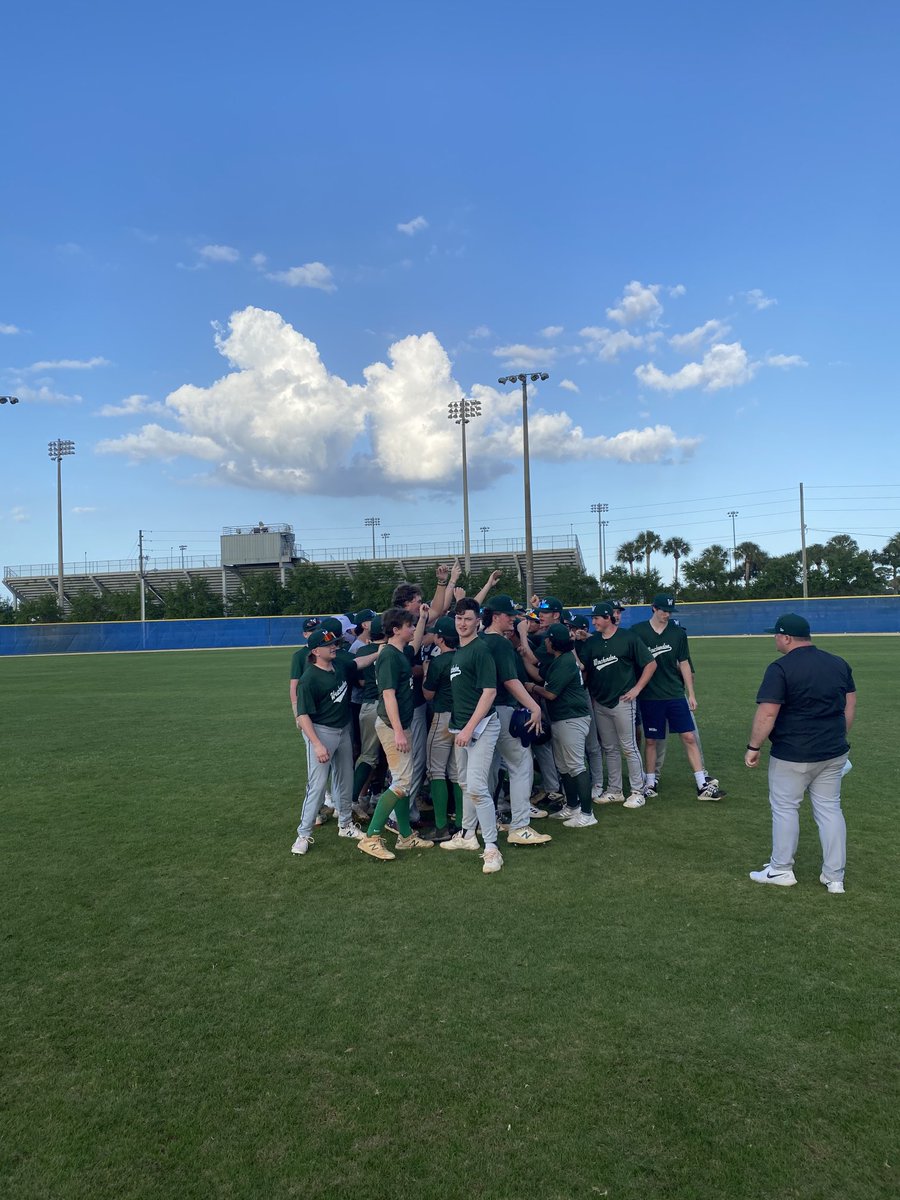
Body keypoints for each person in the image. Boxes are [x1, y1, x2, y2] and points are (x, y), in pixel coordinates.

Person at [745, 613, 856, 893]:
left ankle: (781, 869)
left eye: (776, 635)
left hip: (792, 754)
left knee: (785, 809)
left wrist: (753, 747)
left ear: (786, 637)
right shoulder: (838, 663)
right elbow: (849, 707)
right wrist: (837, 737)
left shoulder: (780, 668)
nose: (775, 639)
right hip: (832, 751)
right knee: (830, 809)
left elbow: (767, 712)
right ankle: (835, 877)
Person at [631, 594, 726, 801]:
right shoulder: (637, 631)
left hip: (675, 694)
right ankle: (650, 782)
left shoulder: (677, 633)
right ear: (653, 608)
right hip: (650, 696)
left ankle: (702, 783)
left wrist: (691, 693)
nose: (666, 614)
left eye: (669, 611)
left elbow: (684, 662)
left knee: (689, 736)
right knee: (652, 741)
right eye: (663, 610)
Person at [358, 608, 435, 861]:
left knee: (405, 780)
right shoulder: (390, 657)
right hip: (393, 727)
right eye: (409, 625)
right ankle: (372, 837)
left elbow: (413, 643)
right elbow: (388, 695)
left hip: (401, 725)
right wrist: (400, 731)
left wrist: (422, 619)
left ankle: (405, 836)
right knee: (402, 782)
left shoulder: (399, 652)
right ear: (395, 630)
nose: (412, 630)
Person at [440, 597, 504, 873]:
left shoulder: (481, 650)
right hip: (462, 727)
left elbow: (489, 693)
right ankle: (467, 835)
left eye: (467, 618)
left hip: (482, 727)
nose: (462, 623)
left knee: (477, 786)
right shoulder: (459, 652)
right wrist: (458, 728)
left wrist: (468, 729)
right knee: (464, 782)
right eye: (458, 618)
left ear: (478, 620)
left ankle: (491, 847)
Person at [481, 596, 551, 847]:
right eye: (508, 615)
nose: (513, 618)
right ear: (495, 616)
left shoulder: (478, 640)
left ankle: (485, 823)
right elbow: (510, 681)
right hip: (501, 710)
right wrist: (533, 706)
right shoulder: (499, 644)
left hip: (481, 715)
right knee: (521, 764)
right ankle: (520, 826)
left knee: (487, 771)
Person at [291, 629, 364, 855]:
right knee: (318, 784)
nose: (333, 647)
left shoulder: (339, 665)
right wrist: (317, 743)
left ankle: (345, 824)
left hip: (343, 730)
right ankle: (303, 834)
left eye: (334, 643)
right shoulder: (309, 678)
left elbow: (358, 663)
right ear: (315, 651)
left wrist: (381, 652)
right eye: (328, 645)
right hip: (322, 733)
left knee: (345, 778)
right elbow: (303, 716)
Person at [581, 601, 656, 808]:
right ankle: (615, 790)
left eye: (596, 618)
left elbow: (650, 663)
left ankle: (638, 790)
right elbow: (582, 666)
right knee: (610, 748)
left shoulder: (628, 637)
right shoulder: (593, 641)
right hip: (601, 701)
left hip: (623, 700)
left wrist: (637, 689)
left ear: (607, 618)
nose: (593, 622)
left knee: (629, 747)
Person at [525, 622, 596, 829]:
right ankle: (572, 806)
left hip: (572, 718)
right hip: (562, 718)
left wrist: (532, 687)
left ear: (554, 642)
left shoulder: (565, 662)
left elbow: (551, 693)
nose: (545, 640)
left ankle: (587, 813)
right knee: (564, 767)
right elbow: (542, 675)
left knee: (575, 765)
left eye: (548, 638)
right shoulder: (560, 659)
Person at [421, 615, 462, 842]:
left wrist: (426, 671)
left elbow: (428, 694)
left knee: (436, 771)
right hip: (463, 718)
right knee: (457, 772)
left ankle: (441, 826)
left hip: (442, 717)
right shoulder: (465, 655)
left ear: (440, 638)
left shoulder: (439, 661)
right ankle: (462, 823)